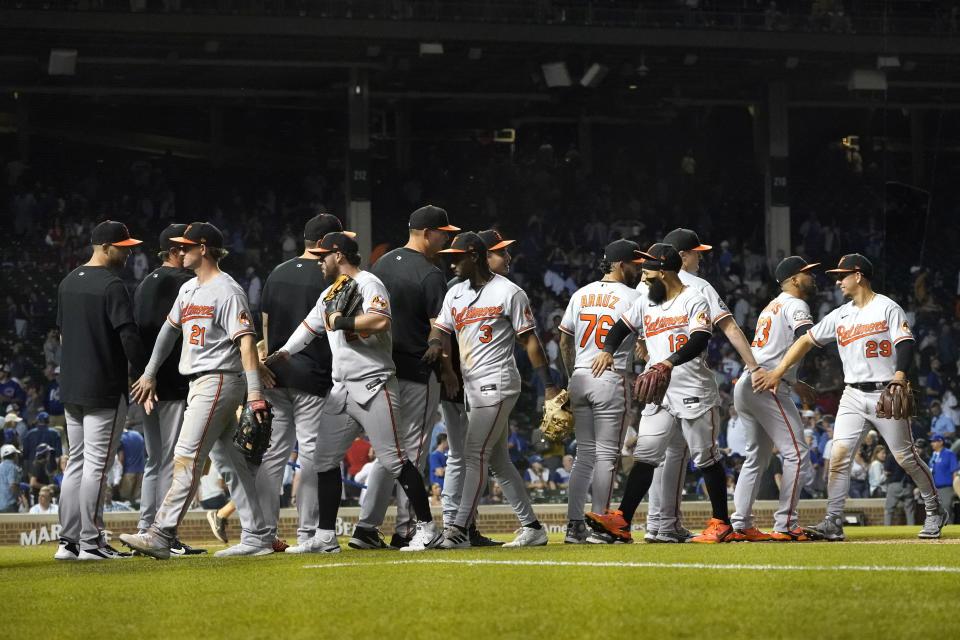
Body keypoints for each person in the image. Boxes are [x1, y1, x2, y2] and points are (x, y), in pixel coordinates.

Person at [265, 231, 442, 552]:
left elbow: (380, 322)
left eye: (323, 256)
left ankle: (429, 528)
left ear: (339, 255)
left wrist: (341, 321)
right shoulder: (331, 292)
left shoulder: (369, 284)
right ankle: (325, 536)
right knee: (322, 460)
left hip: (374, 385)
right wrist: (278, 355)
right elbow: (307, 329)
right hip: (342, 389)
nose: (319, 261)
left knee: (393, 459)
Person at [755, 253, 947, 539]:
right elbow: (806, 340)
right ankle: (833, 520)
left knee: (905, 457)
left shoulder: (887, 307)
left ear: (859, 276)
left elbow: (905, 343)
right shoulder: (840, 313)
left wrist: (899, 376)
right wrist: (779, 370)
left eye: (842, 275)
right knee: (839, 455)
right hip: (853, 395)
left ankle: (934, 510)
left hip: (886, 390)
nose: (837, 280)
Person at [119, 221, 273, 559]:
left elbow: (246, 344)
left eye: (186, 246)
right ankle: (258, 536)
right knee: (232, 462)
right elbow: (168, 332)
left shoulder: (228, 290)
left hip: (219, 379)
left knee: (186, 456)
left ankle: (161, 533)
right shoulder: (188, 289)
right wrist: (149, 372)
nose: (180, 251)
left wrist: (255, 394)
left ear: (203, 248)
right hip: (199, 382)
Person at [586, 243, 732, 544]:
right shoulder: (646, 301)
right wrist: (607, 350)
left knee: (705, 456)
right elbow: (620, 326)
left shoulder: (694, 298)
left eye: (649, 276)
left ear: (666, 272)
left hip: (693, 387)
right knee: (646, 455)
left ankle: (722, 522)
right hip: (659, 390)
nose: (644, 280)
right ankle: (622, 521)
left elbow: (701, 338)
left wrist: (667, 361)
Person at [425, 231, 554, 548]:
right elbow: (440, 329)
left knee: (472, 454)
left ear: (473, 255)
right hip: (472, 385)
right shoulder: (454, 294)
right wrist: (437, 352)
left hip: (497, 382)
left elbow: (530, 341)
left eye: (456, 257)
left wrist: (549, 386)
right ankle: (533, 528)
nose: (452, 263)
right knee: (497, 461)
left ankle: (457, 530)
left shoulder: (509, 292)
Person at [643, 228, 765, 544]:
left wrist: (652, 361)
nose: (701, 256)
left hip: (657, 381)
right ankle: (667, 525)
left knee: (662, 454)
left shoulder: (648, 287)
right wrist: (753, 366)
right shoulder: (696, 287)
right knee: (688, 454)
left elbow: (637, 337)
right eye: (697, 252)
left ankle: (659, 524)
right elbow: (730, 327)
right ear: (682, 256)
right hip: (686, 381)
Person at [355, 205, 456, 548]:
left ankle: (366, 527)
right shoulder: (431, 273)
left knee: (391, 451)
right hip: (415, 369)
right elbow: (438, 330)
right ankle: (407, 528)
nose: (448, 237)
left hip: (382, 368)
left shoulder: (381, 264)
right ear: (427, 233)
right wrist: (447, 370)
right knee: (410, 452)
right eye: (443, 232)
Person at [257, 214, 355, 554]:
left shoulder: (277, 272)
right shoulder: (329, 275)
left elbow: (265, 327)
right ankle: (310, 532)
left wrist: (265, 367)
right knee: (314, 454)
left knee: (272, 456)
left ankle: (264, 534)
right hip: (313, 376)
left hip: (275, 374)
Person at [56, 220, 148, 561]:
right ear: (106, 247)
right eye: (123, 247)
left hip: (71, 387)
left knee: (76, 464)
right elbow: (128, 336)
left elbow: (63, 336)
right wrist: (145, 373)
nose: (128, 252)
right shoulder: (112, 285)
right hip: (103, 387)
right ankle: (91, 543)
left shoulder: (68, 282)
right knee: (96, 465)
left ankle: (69, 543)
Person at [556, 239, 642, 544]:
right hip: (610, 376)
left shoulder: (580, 294)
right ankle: (600, 526)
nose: (639, 269)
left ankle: (574, 526)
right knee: (607, 456)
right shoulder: (634, 295)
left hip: (580, 376)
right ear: (621, 265)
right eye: (636, 263)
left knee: (584, 457)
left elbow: (564, 341)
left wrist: (571, 379)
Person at [730, 257, 817, 542]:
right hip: (767, 384)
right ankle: (787, 524)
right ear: (793, 279)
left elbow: (773, 349)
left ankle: (741, 523)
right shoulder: (796, 304)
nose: (811, 278)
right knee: (798, 454)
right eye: (806, 274)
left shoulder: (772, 306)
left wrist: (794, 380)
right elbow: (805, 337)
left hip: (747, 383)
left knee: (756, 458)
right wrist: (782, 375)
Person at [132, 224, 194, 542]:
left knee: (153, 460)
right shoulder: (183, 282)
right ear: (174, 251)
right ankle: (162, 533)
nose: (191, 251)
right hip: (171, 384)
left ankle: (146, 527)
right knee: (172, 459)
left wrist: (146, 376)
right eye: (185, 247)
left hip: (146, 383)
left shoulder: (144, 283)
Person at [928, 435, 958, 524]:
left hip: (946, 487)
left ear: (941, 442)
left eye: (934, 441)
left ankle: (949, 530)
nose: (932, 443)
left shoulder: (949, 454)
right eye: (932, 442)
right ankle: (938, 530)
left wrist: (955, 487)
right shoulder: (933, 456)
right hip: (935, 489)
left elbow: (955, 471)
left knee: (946, 509)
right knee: (937, 511)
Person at [117, 421, 146, 504]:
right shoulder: (137, 435)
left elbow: (120, 458)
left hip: (128, 473)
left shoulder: (120, 439)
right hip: (141, 471)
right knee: (138, 502)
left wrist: (119, 475)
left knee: (125, 501)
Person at [1, 444, 23, 513]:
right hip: (9, 504)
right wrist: (20, 496)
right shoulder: (12, 467)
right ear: (14, 455)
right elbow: (12, 485)